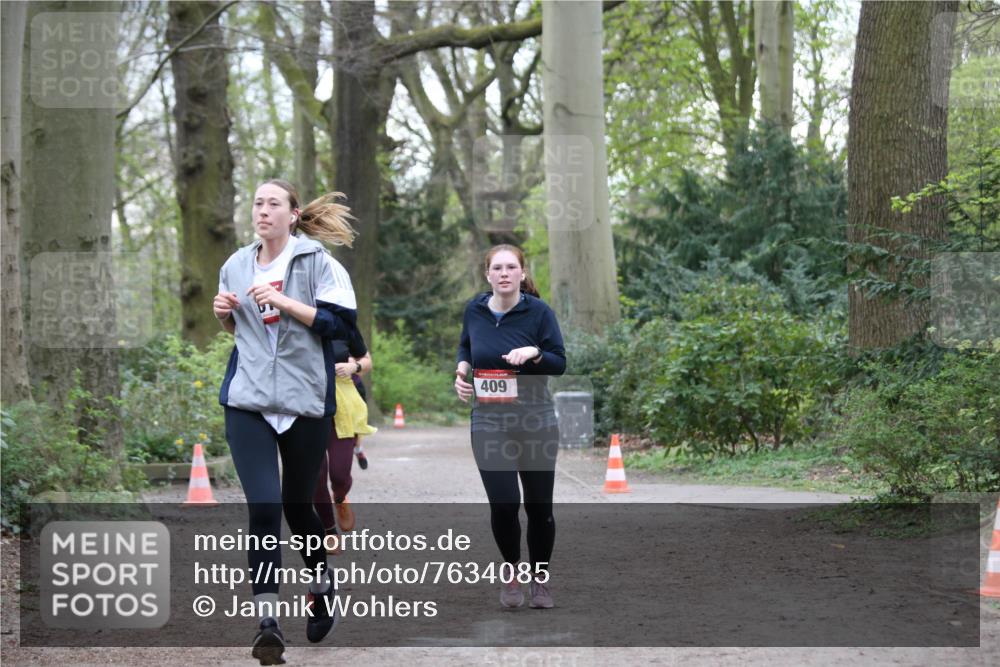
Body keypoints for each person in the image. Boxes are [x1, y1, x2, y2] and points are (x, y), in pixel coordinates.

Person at [213, 179, 358, 664]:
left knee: (299, 509)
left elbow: (342, 328)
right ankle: (268, 623)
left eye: (274, 203)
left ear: (293, 214)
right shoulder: (234, 264)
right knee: (264, 507)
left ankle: (321, 584)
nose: (263, 210)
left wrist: (286, 302)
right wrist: (224, 315)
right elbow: (243, 332)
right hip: (248, 401)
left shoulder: (319, 263)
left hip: (304, 402)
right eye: (258, 203)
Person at [454, 244, 566, 610]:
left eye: (511, 267)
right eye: (497, 268)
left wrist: (534, 354)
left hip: (536, 421)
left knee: (539, 507)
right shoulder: (475, 309)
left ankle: (541, 578)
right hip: (489, 420)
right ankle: (512, 570)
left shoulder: (538, 313)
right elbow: (466, 347)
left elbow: (559, 362)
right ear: (488, 275)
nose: (504, 273)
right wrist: (461, 371)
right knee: (504, 504)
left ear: (521, 273)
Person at [312, 330, 376, 552]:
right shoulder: (294, 319)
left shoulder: (342, 324)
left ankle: (339, 498)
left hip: (343, 409)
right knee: (316, 477)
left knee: (339, 474)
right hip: (308, 407)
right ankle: (329, 531)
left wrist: (353, 367)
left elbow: (367, 361)